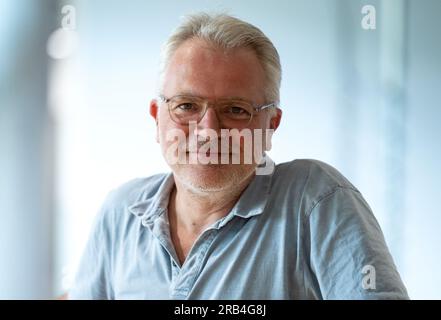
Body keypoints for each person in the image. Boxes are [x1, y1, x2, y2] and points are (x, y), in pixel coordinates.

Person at [69, 12, 408, 299]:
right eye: (186, 106)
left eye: (235, 109)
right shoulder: (120, 213)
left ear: (271, 124)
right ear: (157, 117)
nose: (209, 131)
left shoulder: (315, 200)